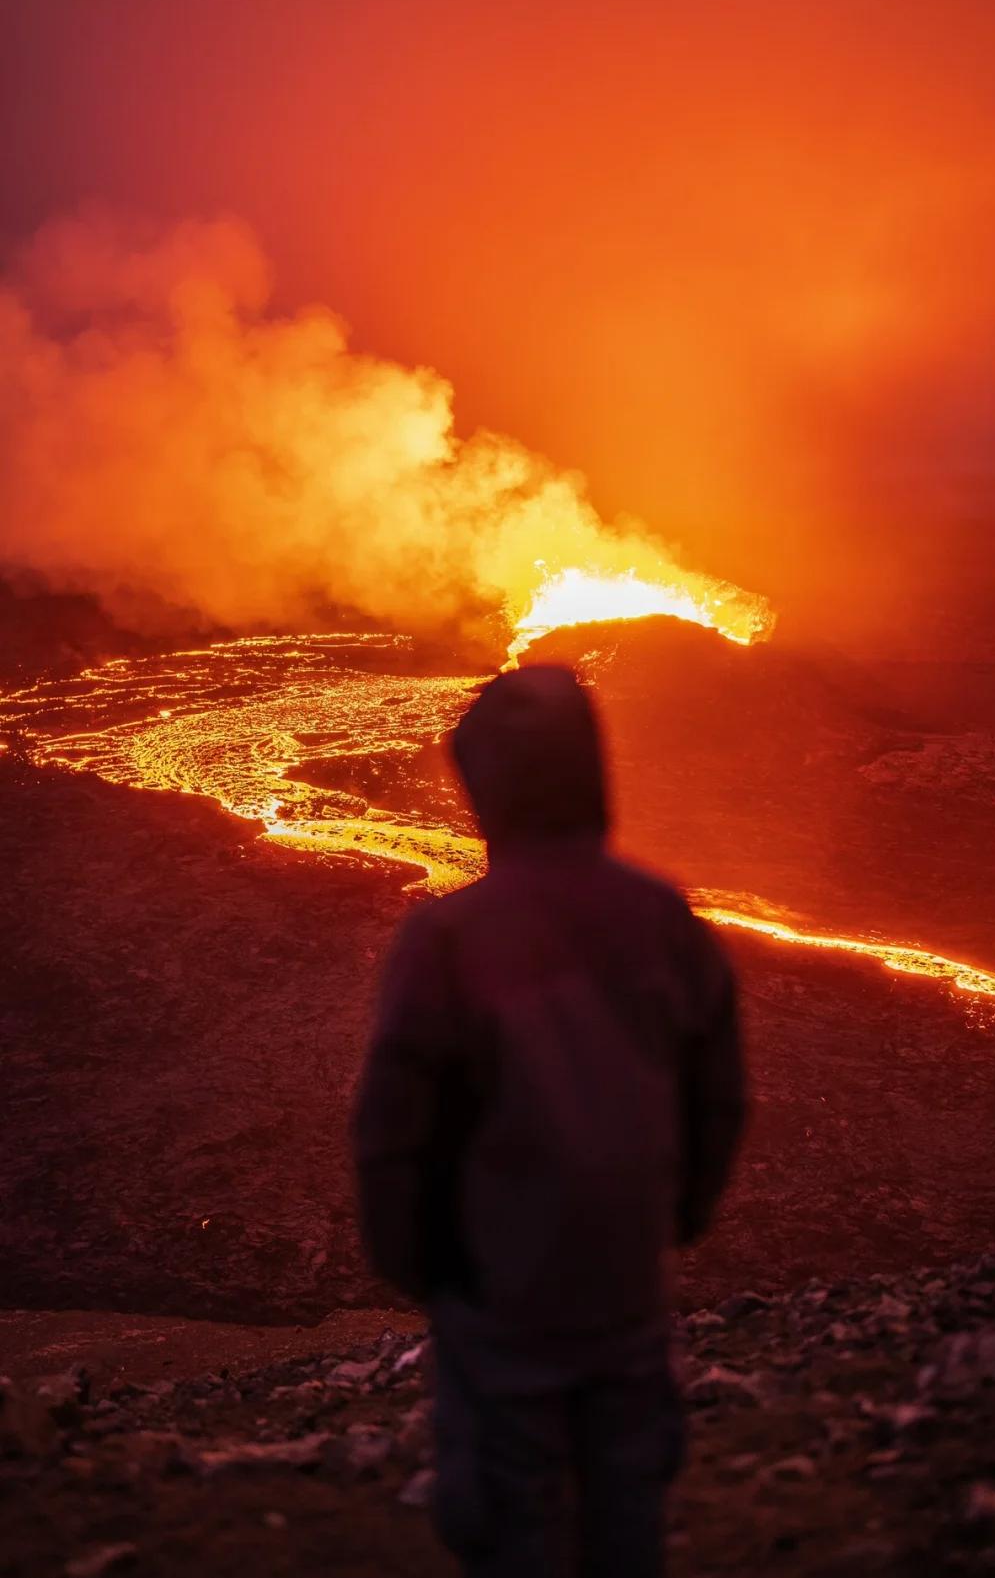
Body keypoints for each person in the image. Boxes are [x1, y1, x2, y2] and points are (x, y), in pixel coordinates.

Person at [351, 663, 746, 1577]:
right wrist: (674, 1217)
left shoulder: (447, 939)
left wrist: (421, 1267)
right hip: (625, 1285)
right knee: (624, 1509)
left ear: (486, 786)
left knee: (511, 1515)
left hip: (500, 1292)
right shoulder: (664, 917)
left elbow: (393, 1129)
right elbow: (716, 1097)